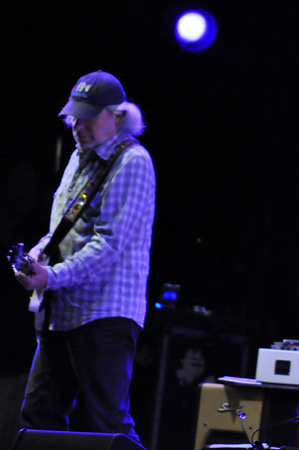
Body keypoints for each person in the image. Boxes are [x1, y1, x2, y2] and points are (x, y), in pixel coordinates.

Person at [14, 70, 156, 443]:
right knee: (38, 416)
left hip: (106, 313)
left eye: (89, 117)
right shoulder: (81, 157)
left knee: (105, 422)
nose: (78, 125)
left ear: (118, 116)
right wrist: (36, 257)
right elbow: (62, 229)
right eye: (75, 116)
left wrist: (52, 276)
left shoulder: (133, 162)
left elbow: (108, 246)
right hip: (64, 312)